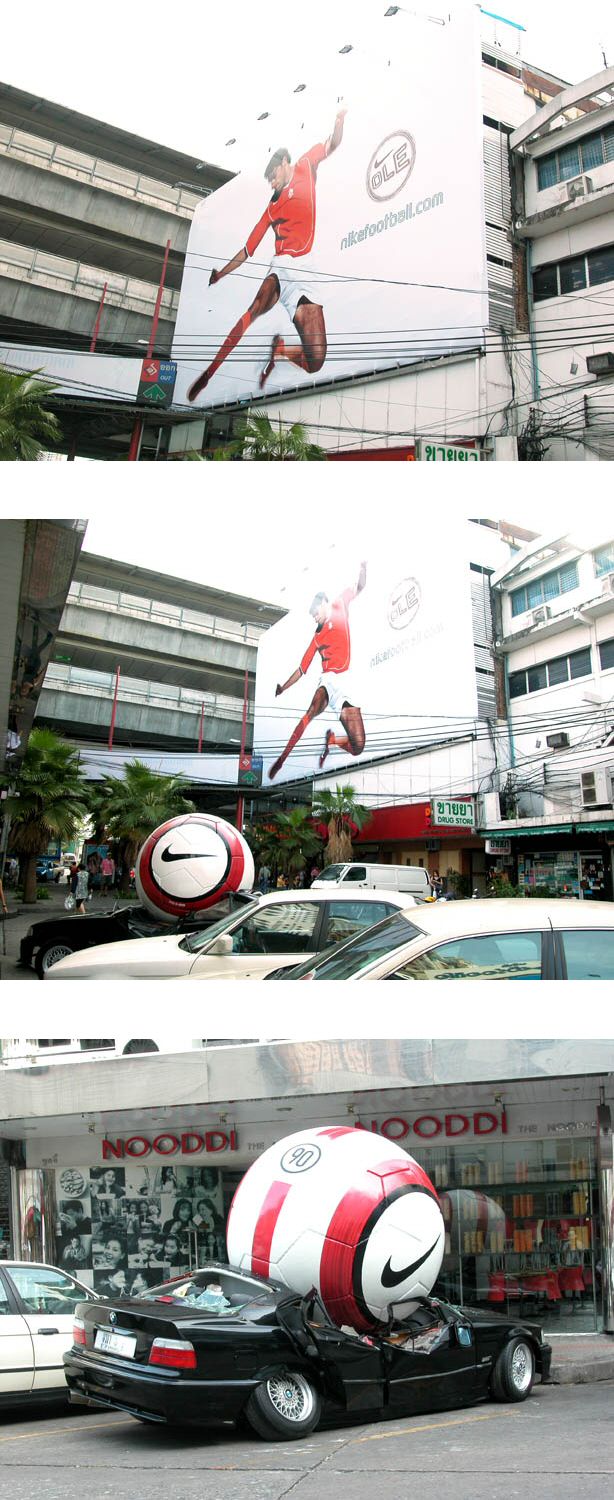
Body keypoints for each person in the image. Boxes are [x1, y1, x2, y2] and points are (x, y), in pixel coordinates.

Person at [186, 109, 347, 403]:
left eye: (273, 177)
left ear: (284, 164)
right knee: (252, 311)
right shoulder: (271, 208)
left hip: (306, 272)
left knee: (317, 361)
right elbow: (248, 249)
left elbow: (332, 145)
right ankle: (209, 372)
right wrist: (221, 273)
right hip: (281, 266)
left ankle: (281, 349)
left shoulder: (305, 165)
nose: (271, 184)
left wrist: (338, 123)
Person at [268, 562, 367, 781]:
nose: (314, 618)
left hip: (347, 683)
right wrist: (283, 688)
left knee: (358, 746)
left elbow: (360, 587)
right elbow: (302, 669)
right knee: (310, 712)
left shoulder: (340, 604)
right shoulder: (316, 637)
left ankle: (332, 740)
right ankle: (282, 759)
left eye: (315, 613)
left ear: (324, 603)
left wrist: (363, 567)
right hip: (328, 680)